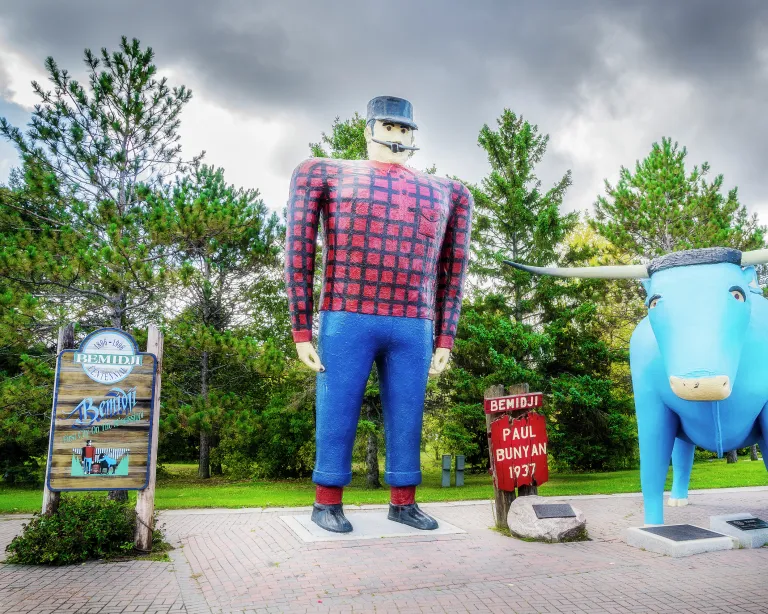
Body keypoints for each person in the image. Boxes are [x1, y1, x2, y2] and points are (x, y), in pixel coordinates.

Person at [285, 96, 473, 533]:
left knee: (409, 411)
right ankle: (326, 499)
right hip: (348, 311)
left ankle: (403, 501)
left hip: (414, 318)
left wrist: (446, 337)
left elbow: (454, 268)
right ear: (370, 129)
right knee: (337, 405)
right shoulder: (324, 173)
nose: (398, 135)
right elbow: (299, 250)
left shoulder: (449, 192)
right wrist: (301, 329)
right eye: (390, 126)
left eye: (405, 129)